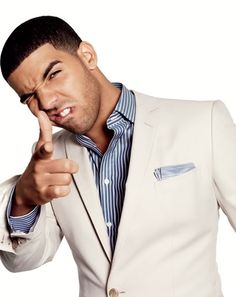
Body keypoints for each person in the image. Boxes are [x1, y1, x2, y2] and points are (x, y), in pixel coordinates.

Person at [0, 15, 235, 297]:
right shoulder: (49, 159)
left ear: (87, 56)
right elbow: (24, 261)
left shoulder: (202, 122)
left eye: (53, 75)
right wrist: (23, 200)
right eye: (30, 97)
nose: (47, 102)